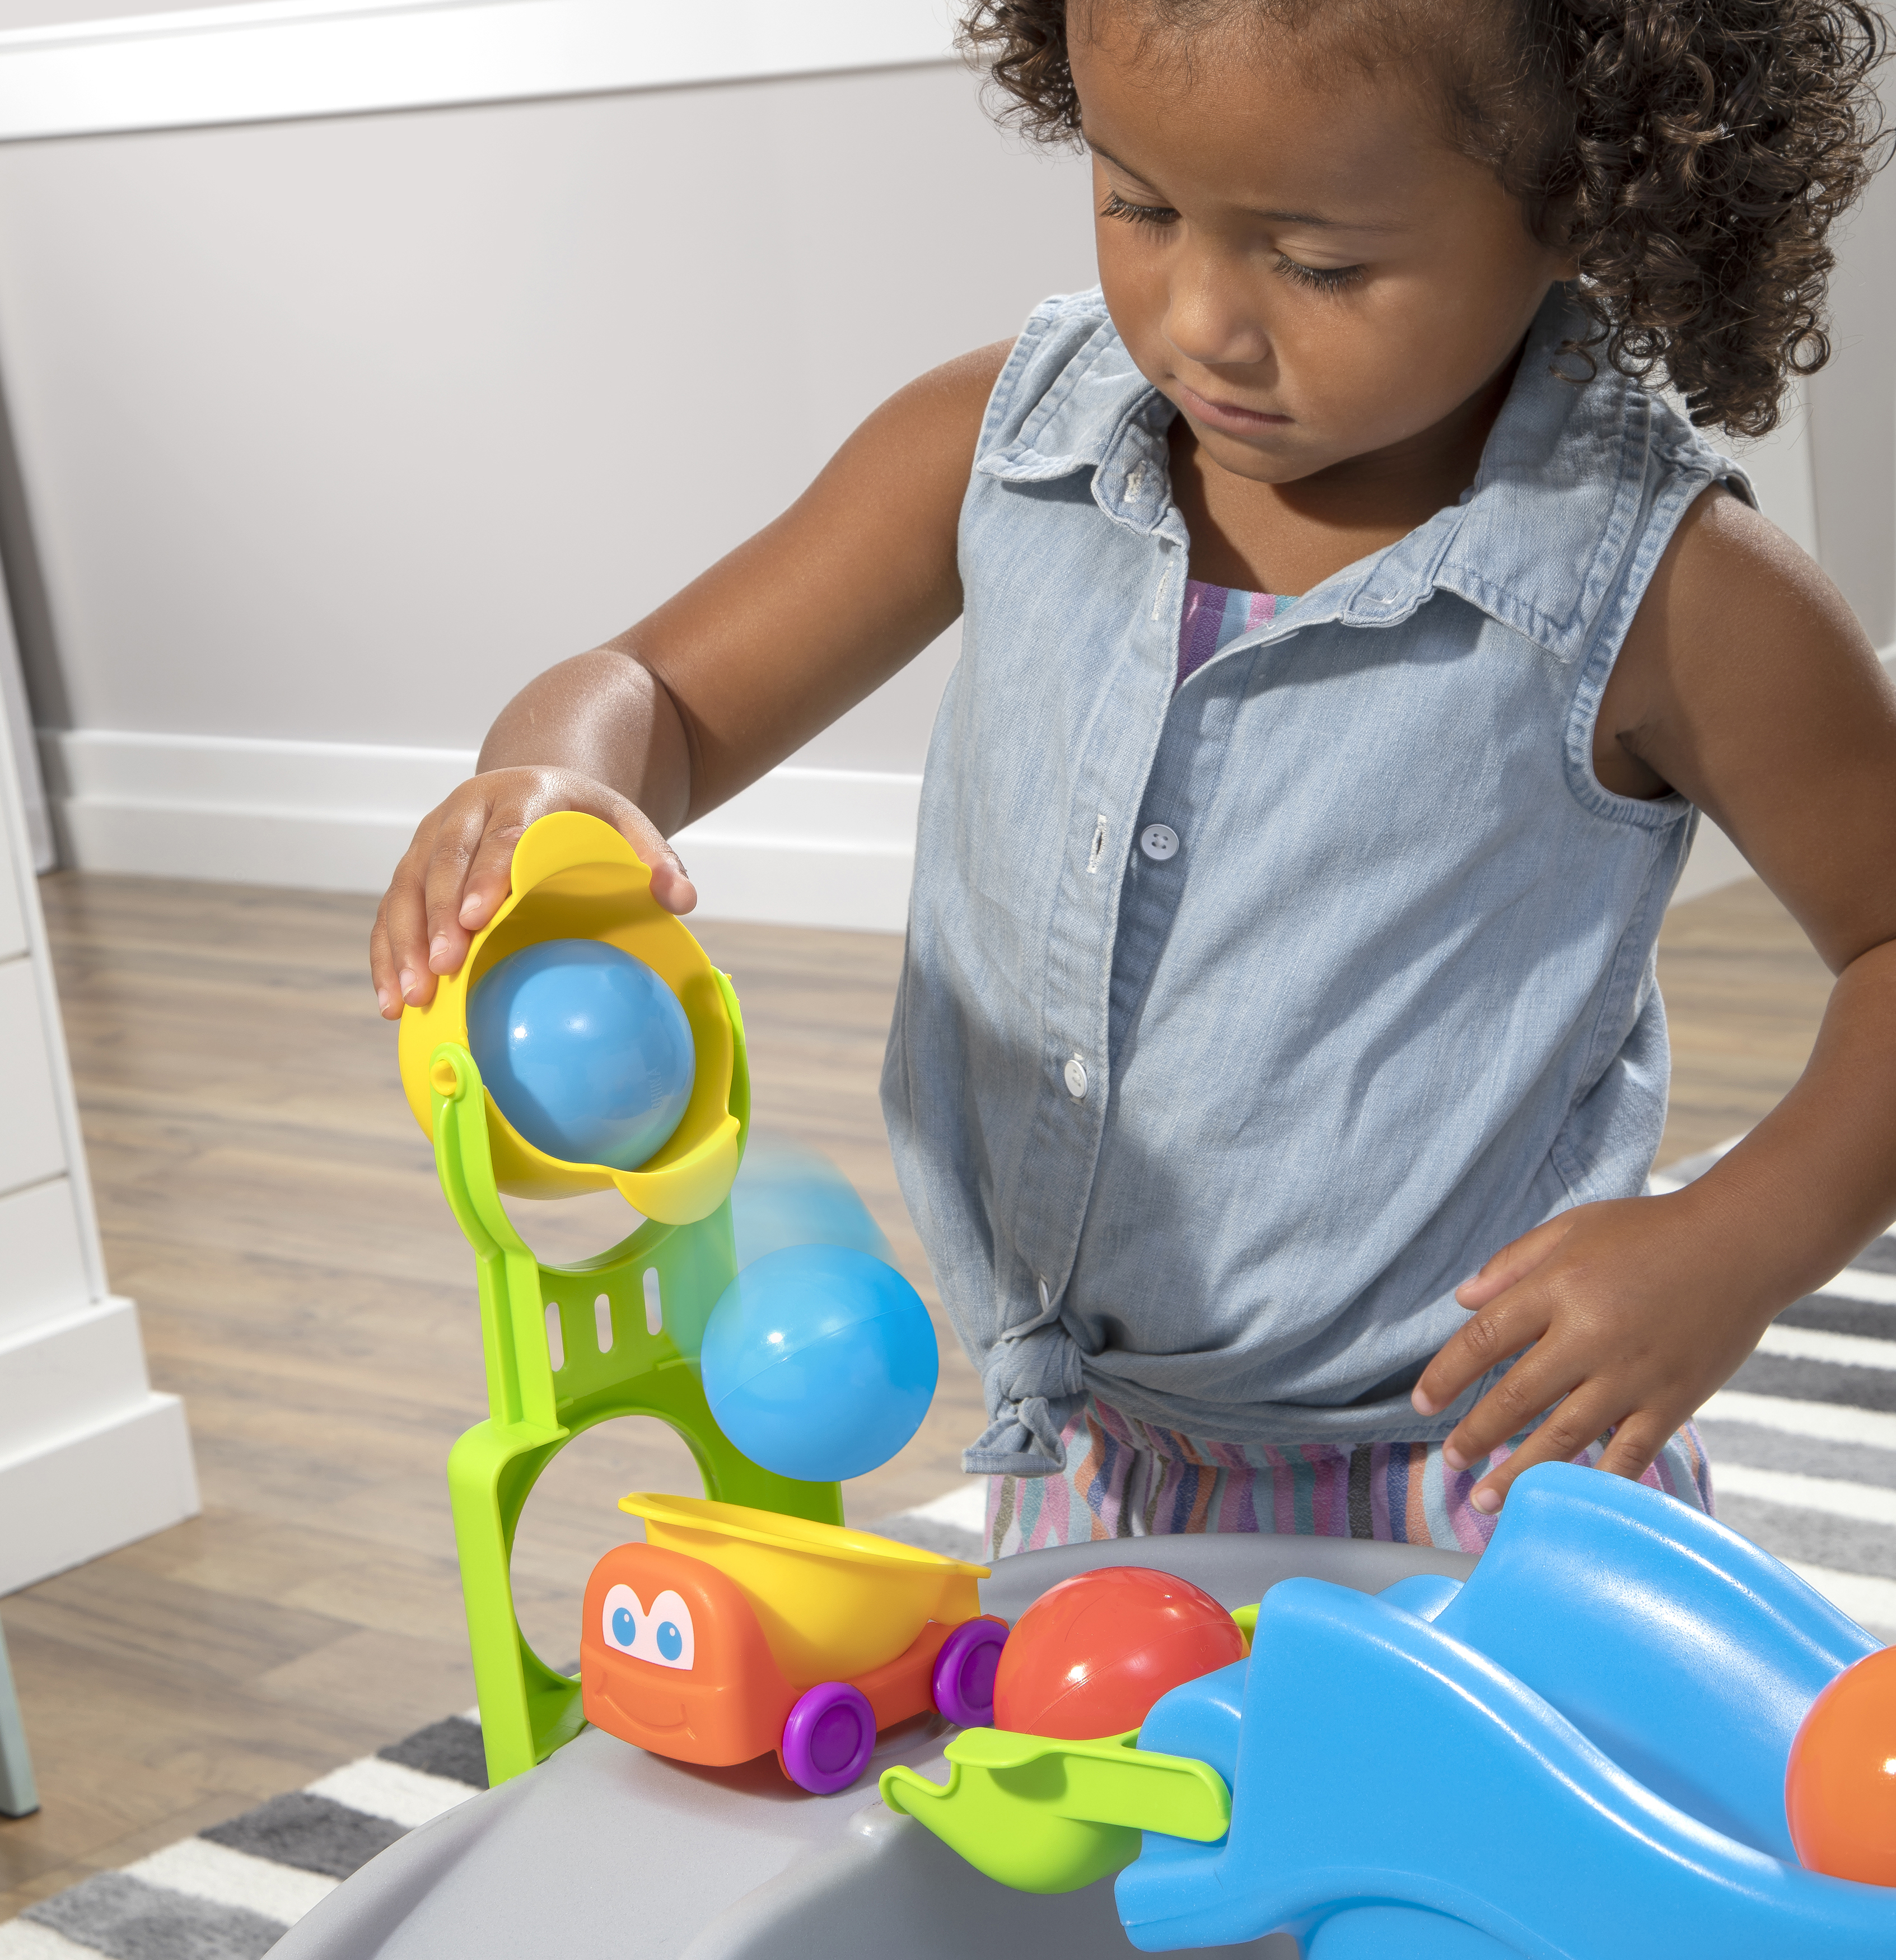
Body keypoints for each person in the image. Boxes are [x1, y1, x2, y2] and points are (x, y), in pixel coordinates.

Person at [370, 0, 1896, 1557]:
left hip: (1479, 1471)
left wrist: (1733, 1243)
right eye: (1138, 204)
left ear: (1588, 193)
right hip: (1085, 1460)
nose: (1201, 323)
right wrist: (553, 777)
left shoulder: (1673, 593)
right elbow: (660, 694)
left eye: (1317, 263)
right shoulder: (989, 445)